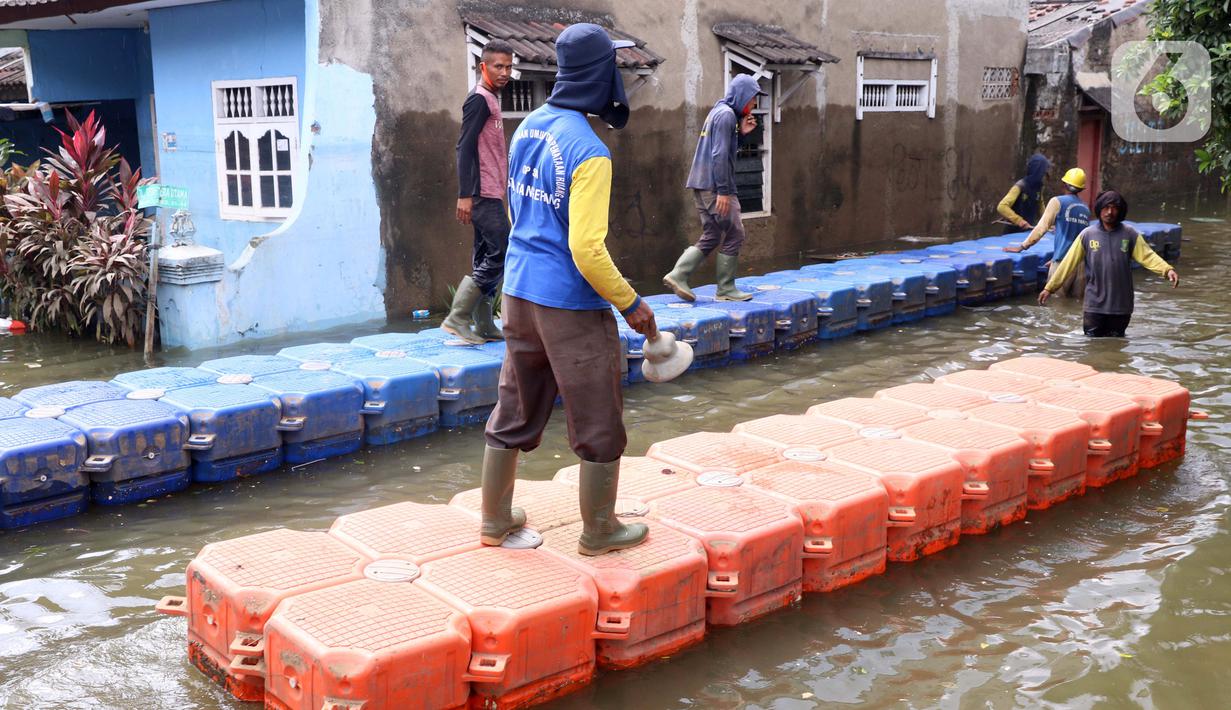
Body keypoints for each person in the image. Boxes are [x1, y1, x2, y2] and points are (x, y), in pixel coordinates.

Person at [478, 23, 657, 556]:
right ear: (600, 75)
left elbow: (517, 208)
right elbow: (587, 249)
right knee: (599, 415)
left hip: (517, 290)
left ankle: (494, 519)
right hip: (569, 304)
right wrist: (632, 305)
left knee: (516, 400)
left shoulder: (528, 126)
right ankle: (599, 530)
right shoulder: (590, 151)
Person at [662, 74, 767, 302]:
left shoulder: (718, 112)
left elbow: (721, 148)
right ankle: (726, 289)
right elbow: (719, 155)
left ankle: (678, 274)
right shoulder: (727, 116)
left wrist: (742, 135)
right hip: (713, 185)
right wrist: (724, 191)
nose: (755, 104)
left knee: (712, 234)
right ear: (742, 96)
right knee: (736, 233)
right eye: (753, 98)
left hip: (701, 183)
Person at [442, 41, 515, 345]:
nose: (504, 72)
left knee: (486, 254)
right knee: (502, 248)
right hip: (482, 192)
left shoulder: (491, 99)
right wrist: (465, 194)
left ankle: (483, 323)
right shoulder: (479, 100)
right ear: (483, 67)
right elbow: (464, 147)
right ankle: (457, 318)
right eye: (498, 66)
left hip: (491, 190)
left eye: (509, 67)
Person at [1039, 190, 1178, 337]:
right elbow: (1068, 263)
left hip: (1121, 306)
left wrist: (1167, 270)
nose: (1110, 212)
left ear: (1120, 210)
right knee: (1091, 346)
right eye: (1106, 207)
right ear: (1099, 209)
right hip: (1094, 306)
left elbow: (1148, 256)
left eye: (1114, 208)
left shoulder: (1130, 234)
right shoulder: (1087, 235)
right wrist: (1050, 288)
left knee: (1116, 345)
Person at [1005, 167, 1091, 299]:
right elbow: (1079, 238)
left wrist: (1022, 247)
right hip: (1082, 266)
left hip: (1062, 264)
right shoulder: (1086, 208)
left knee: (1057, 306)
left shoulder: (1057, 202)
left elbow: (1041, 228)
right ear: (1081, 188)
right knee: (1076, 306)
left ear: (1064, 184)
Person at [997, 153, 1050, 234]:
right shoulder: (1020, 186)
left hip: (1027, 232)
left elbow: (1040, 205)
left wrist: (1047, 223)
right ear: (1038, 172)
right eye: (1044, 172)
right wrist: (1019, 220)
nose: (1045, 175)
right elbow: (1002, 206)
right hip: (1012, 233)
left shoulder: (1038, 187)